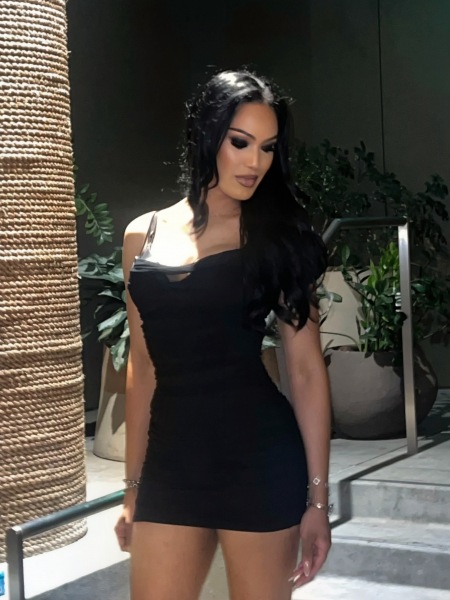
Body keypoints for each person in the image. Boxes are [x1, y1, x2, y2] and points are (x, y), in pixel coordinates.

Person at [115, 69, 332, 600]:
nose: (255, 162)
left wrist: (318, 502)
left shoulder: (276, 236)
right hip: (172, 465)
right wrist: (133, 486)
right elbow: (142, 367)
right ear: (207, 135)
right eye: (241, 143)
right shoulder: (141, 236)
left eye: (267, 147)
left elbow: (306, 371)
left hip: (259, 461)